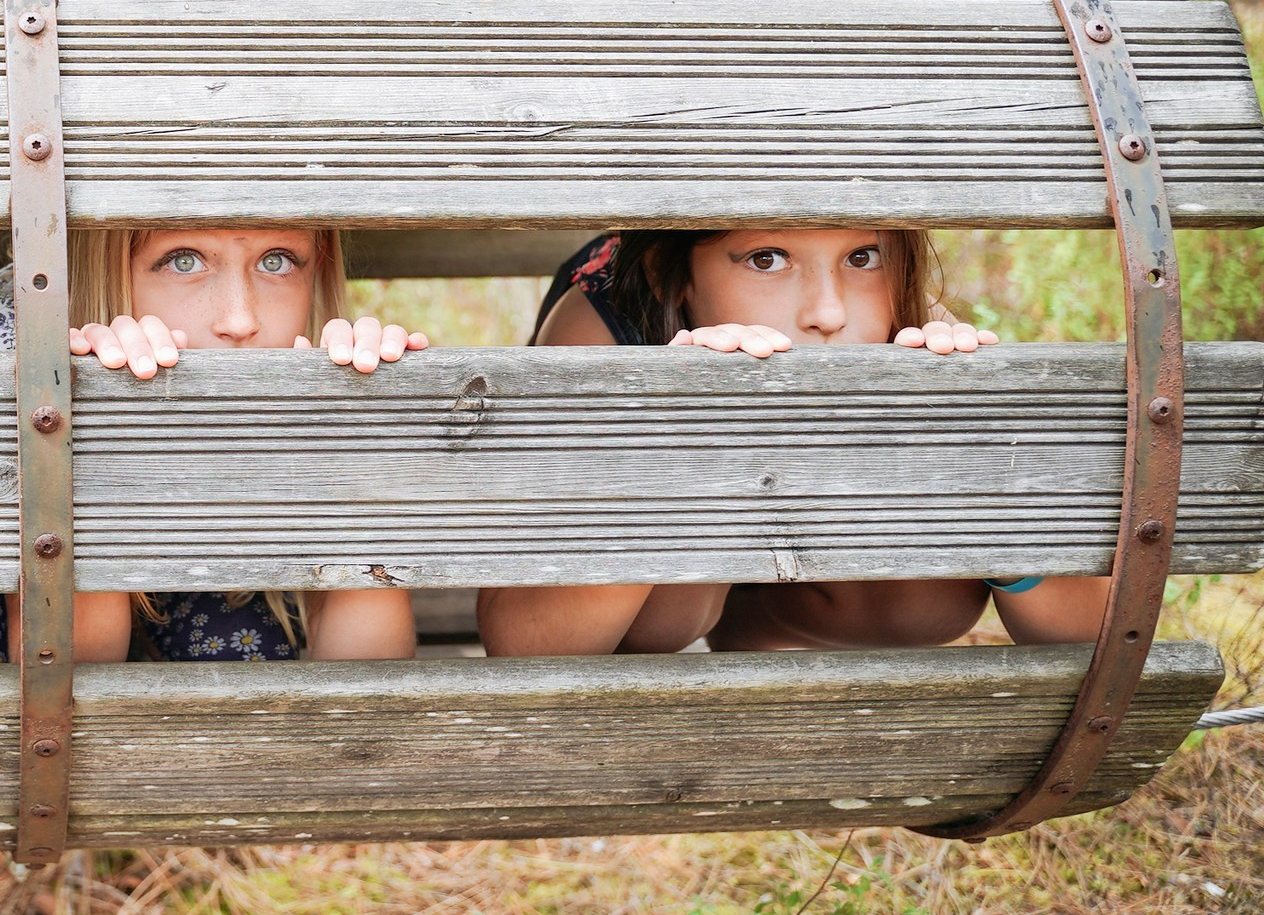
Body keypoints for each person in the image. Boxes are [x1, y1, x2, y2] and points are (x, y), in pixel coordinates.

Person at [475, 228, 1110, 657]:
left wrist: (976, 472)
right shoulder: (601, 331)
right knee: (659, 620)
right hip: (654, 556)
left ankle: (756, 628)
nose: (828, 313)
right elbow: (523, 644)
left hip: (802, 560)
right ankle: (714, 562)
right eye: (766, 258)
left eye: (862, 257)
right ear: (677, 280)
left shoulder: (906, 325)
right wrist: (684, 449)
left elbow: (1087, 633)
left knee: (926, 602)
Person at [0, 227, 425, 666]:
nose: (240, 320)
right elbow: (70, 676)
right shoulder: (10, 334)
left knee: (242, 651)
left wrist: (356, 439)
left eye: (277, 260)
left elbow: (369, 712)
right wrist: (99, 423)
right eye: (183, 260)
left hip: (185, 591)